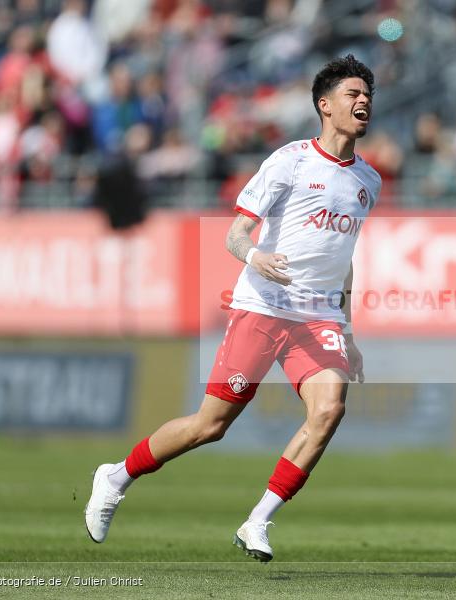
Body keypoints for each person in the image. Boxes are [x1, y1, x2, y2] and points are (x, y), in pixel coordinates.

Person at [84, 55, 381, 561]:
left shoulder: (368, 181)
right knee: (211, 426)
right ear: (324, 105)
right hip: (263, 306)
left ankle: (256, 522)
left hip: (318, 316)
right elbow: (236, 233)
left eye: (367, 95)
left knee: (329, 409)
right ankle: (116, 476)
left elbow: (343, 261)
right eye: (353, 94)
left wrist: (347, 332)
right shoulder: (289, 161)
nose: (363, 102)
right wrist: (255, 256)